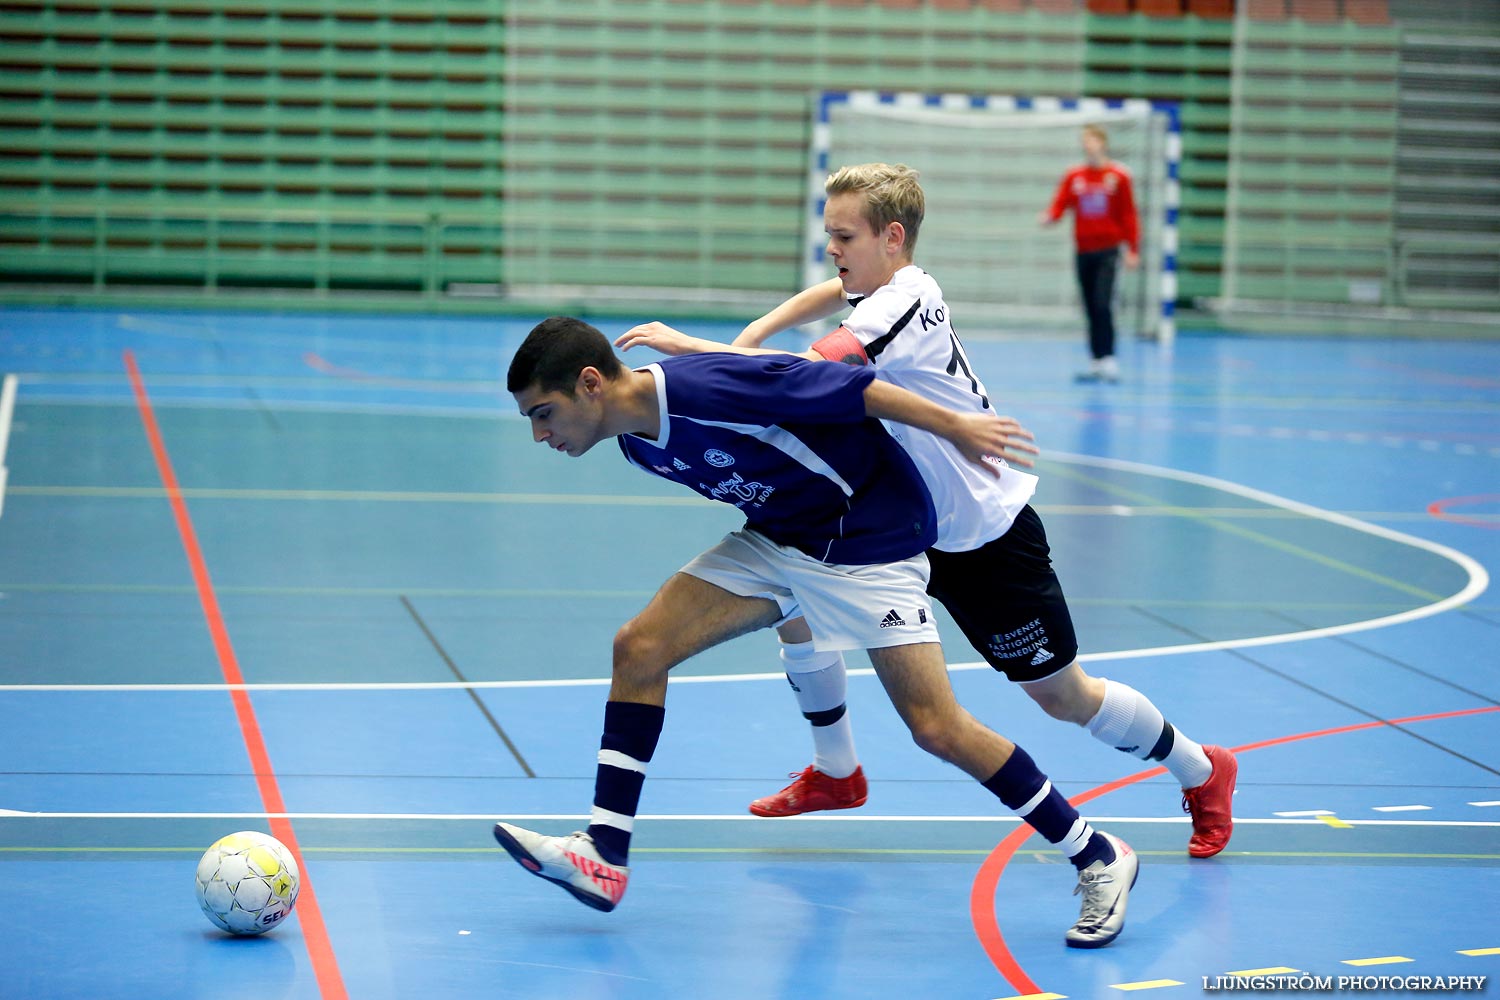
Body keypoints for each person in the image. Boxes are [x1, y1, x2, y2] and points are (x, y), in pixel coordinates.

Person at [616, 162, 1236, 863]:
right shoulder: (878, 283)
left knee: (1064, 697)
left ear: (893, 237)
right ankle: (836, 770)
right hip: (890, 525)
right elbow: (833, 291)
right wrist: (762, 324)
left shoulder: (898, 308)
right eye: (829, 235)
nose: (833, 250)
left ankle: (1202, 769)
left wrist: (700, 348)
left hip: (981, 542)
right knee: (793, 598)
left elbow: (791, 382)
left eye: (843, 236)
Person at [497, 315, 1141, 949]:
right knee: (638, 648)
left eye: (542, 413)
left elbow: (847, 389)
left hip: (872, 538)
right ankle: (604, 854)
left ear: (589, 384)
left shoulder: (701, 392)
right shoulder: (636, 440)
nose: (538, 434)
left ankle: (1096, 853)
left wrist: (958, 426)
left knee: (937, 728)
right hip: (785, 539)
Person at [1039, 124, 1140, 384]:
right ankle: (1096, 360)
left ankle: (1109, 358)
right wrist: (1051, 217)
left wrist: (1132, 249)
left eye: (1092, 141)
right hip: (1083, 250)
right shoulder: (1075, 177)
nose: (1088, 146)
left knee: (1103, 303)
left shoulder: (1119, 176)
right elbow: (1061, 204)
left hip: (1108, 250)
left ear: (1103, 143)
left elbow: (1128, 215)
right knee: (1089, 306)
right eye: (1085, 141)